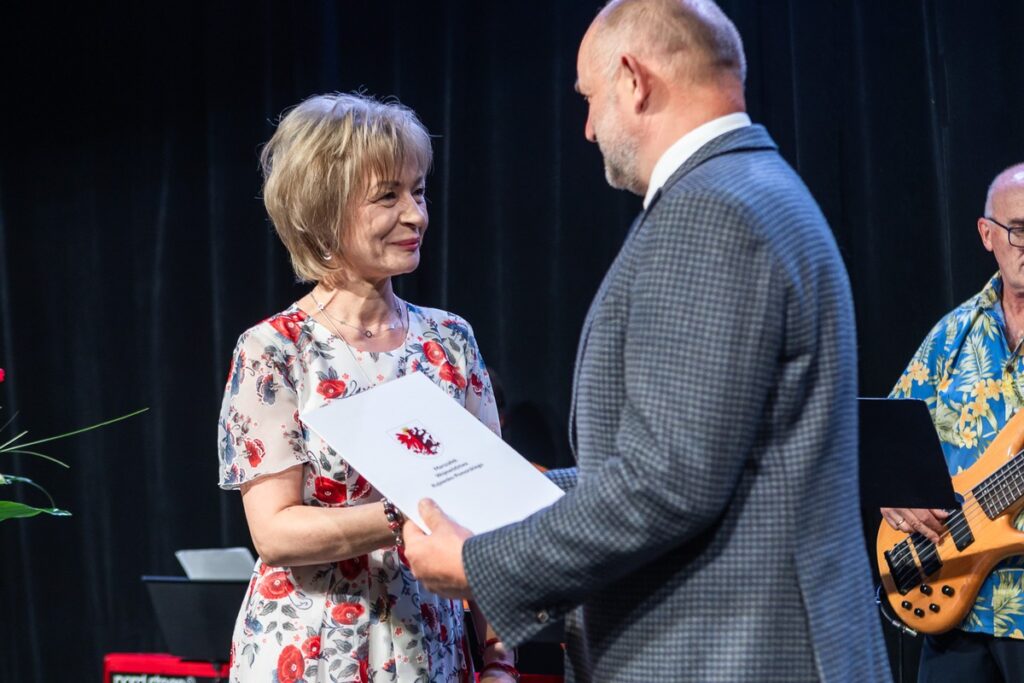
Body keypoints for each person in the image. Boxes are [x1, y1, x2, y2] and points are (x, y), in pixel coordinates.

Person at [402, 1, 892, 681]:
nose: (587, 128)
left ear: (633, 79)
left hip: (728, 653)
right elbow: (711, 456)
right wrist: (531, 489)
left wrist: (477, 563)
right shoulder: (756, 187)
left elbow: (667, 482)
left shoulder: (710, 210)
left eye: (589, 97)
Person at [216, 93, 516, 683]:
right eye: (388, 195)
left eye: (419, 191)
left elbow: (494, 511)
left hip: (430, 649)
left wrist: (500, 658)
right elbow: (274, 532)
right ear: (324, 211)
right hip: (309, 652)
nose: (417, 214)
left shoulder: (450, 340)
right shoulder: (275, 350)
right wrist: (401, 515)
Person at [888, 163, 1024, 682]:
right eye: (1017, 230)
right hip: (952, 598)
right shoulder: (953, 334)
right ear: (987, 235)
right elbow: (892, 442)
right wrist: (893, 492)